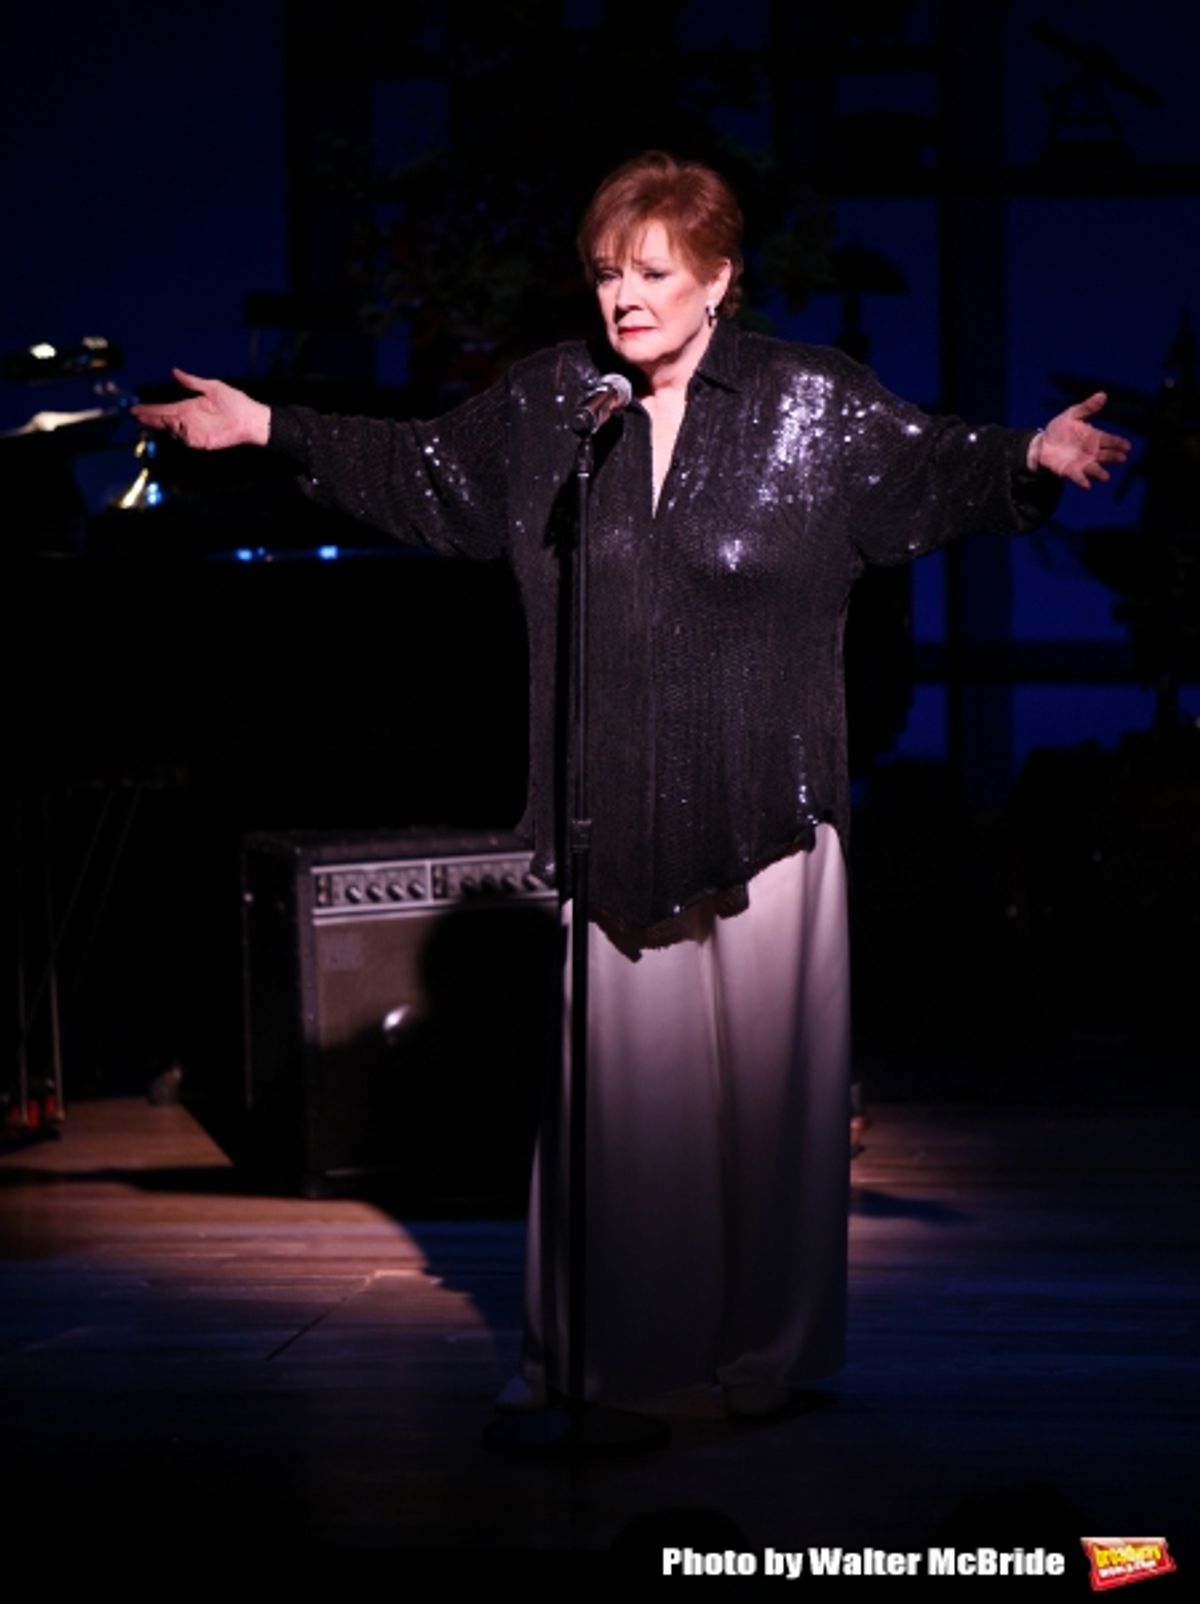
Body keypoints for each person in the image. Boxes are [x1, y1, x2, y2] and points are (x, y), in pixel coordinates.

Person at [133, 151, 1129, 1419]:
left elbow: (932, 467)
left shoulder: (806, 402)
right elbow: (431, 473)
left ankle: (762, 1356)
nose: (625, 296)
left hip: (768, 809)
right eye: (608, 272)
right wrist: (269, 426)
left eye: (654, 271)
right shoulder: (562, 404)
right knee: (626, 1116)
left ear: (719, 277)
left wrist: (1031, 458)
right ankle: (610, 1356)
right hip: (613, 816)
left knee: (767, 1110)